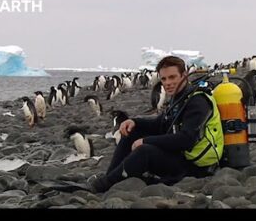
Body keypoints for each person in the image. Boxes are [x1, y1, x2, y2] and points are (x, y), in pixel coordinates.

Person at [88, 56, 224, 193]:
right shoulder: (180, 97)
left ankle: (104, 185)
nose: (168, 83)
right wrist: (133, 122)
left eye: (172, 77)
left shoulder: (197, 101)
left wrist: (145, 141)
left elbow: (187, 140)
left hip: (196, 166)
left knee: (144, 151)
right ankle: (110, 178)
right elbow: (160, 124)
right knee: (132, 132)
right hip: (182, 156)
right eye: (164, 79)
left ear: (184, 75)